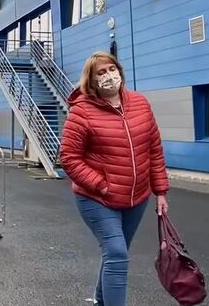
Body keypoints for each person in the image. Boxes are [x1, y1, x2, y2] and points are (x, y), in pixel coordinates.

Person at [59, 51, 170, 306]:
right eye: (101, 72)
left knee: (115, 255)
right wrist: (101, 185)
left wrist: (160, 191)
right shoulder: (81, 112)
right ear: (92, 79)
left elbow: (153, 148)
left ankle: (101, 301)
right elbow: (69, 158)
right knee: (117, 253)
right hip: (97, 197)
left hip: (137, 197)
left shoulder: (140, 104)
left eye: (112, 69)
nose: (109, 76)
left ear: (120, 70)